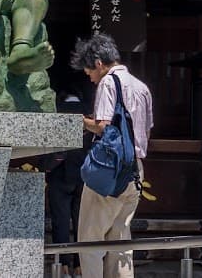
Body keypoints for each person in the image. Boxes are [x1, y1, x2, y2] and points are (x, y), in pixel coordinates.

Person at [73, 34, 154, 278]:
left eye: (88, 71)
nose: (89, 76)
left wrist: (81, 121)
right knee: (120, 239)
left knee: (90, 239)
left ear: (98, 63)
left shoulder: (109, 83)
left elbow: (103, 125)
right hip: (135, 169)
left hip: (110, 170)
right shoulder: (142, 87)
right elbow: (147, 128)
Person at [42, 85, 90, 278]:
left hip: (59, 173)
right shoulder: (89, 110)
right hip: (84, 174)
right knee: (82, 221)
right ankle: (80, 266)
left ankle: (61, 265)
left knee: (60, 221)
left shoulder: (56, 111)